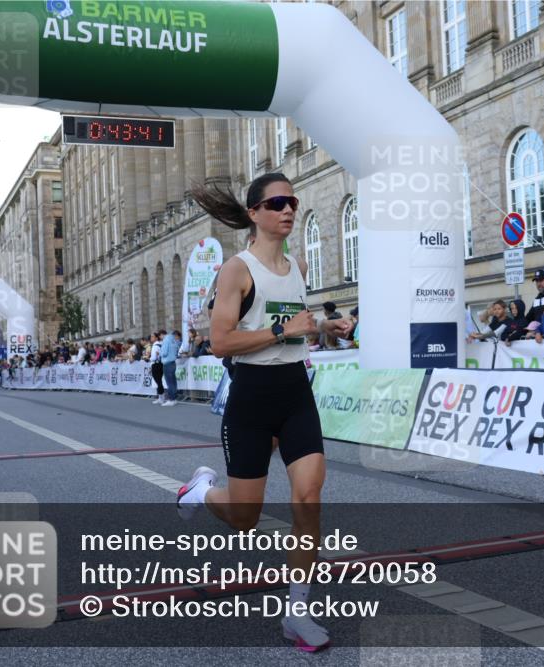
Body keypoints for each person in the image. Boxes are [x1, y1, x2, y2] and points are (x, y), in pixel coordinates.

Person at [180, 173, 351, 651]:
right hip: (252, 398)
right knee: (244, 517)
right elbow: (220, 342)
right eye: (277, 203)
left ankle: (297, 612)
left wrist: (324, 326)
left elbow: (297, 324)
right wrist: (283, 330)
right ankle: (201, 490)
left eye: (292, 201)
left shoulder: (295, 264)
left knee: (309, 498)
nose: (288, 210)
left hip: (295, 391)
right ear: (254, 213)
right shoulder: (237, 269)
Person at [160, 329, 180, 406]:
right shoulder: (174, 340)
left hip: (167, 362)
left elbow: (164, 353)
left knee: (169, 382)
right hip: (173, 362)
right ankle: (174, 398)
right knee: (173, 381)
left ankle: (171, 399)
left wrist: (160, 352)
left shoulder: (166, 340)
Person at [149, 332, 165, 405]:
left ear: (156, 338)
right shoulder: (160, 344)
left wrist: (149, 358)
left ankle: (161, 397)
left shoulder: (156, 345)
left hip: (156, 364)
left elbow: (154, 357)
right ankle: (160, 397)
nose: (151, 338)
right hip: (160, 364)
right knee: (159, 381)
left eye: (152, 337)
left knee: (158, 381)